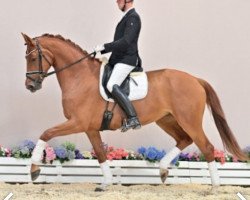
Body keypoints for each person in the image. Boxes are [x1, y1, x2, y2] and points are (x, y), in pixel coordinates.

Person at [94, 0, 142, 132]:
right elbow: (119, 42)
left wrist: (105, 46)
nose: (117, 2)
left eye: (119, 0)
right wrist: (101, 51)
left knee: (111, 84)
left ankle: (133, 118)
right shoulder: (126, 17)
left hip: (127, 60)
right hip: (118, 59)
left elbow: (126, 42)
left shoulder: (133, 17)